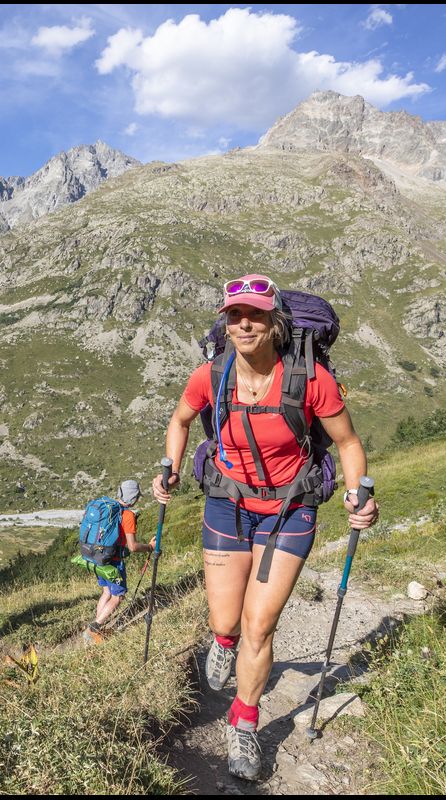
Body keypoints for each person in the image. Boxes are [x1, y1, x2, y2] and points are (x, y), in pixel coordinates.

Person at [151, 274, 379, 781]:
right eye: (234, 315)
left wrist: (358, 493)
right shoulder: (210, 376)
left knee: (259, 624)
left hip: (290, 510)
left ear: (274, 321)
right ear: (225, 323)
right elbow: (181, 420)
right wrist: (168, 467)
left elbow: (347, 442)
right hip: (227, 504)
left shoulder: (311, 379)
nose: (244, 322)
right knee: (226, 622)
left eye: (254, 313)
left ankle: (244, 723)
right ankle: (223, 643)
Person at [83, 480, 156, 644]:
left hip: (97, 557)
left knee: (106, 592)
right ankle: (92, 630)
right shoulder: (127, 515)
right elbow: (133, 547)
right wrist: (150, 547)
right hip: (113, 561)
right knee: (118, 596)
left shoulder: (109, 508)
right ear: (134, 498)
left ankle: (97, 628)